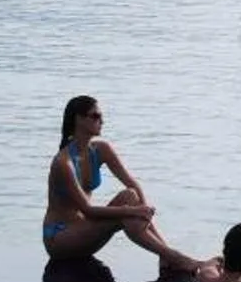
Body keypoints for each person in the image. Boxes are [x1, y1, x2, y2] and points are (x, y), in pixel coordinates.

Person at [41, 94, 209, 272]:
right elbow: (87, 210)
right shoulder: (63, 163)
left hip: (85, 230)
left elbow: (133, 185)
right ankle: (178, 259)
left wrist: (144, 216)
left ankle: (166, 255)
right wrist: (133, 211)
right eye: (95, 116)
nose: (102, 121)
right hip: (60, 238)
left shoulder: (101, 149)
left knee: (130, 195)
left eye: (101, 116)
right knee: (128, 212)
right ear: (78, 119)